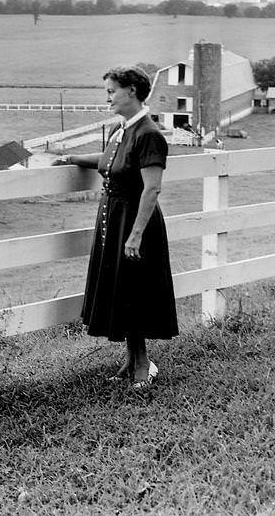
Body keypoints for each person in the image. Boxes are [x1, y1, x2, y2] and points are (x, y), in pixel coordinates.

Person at [53, 66, 178, 388]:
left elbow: (151, 188)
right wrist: (71, 158)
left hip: (136, 222)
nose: (107, 97)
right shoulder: (120, 130)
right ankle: (133, 360)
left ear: (132, 91)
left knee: (134, 291)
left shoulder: (149, 134)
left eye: (112, 91)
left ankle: (142, 366)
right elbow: (109, 160)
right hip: (113, 218)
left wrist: (135, 235)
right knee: (122, 290)